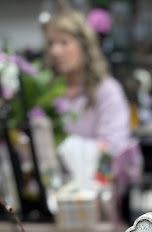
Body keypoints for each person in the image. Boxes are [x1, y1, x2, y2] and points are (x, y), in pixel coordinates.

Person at [44, 9, 141, 215]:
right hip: (52, 198)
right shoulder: (48, 92)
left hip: (97, 203)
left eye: (64, 42)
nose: (56, 51)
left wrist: (94, 192)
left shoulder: (107, 91)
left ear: (85, 46)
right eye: (51, 44)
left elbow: (113, 150)